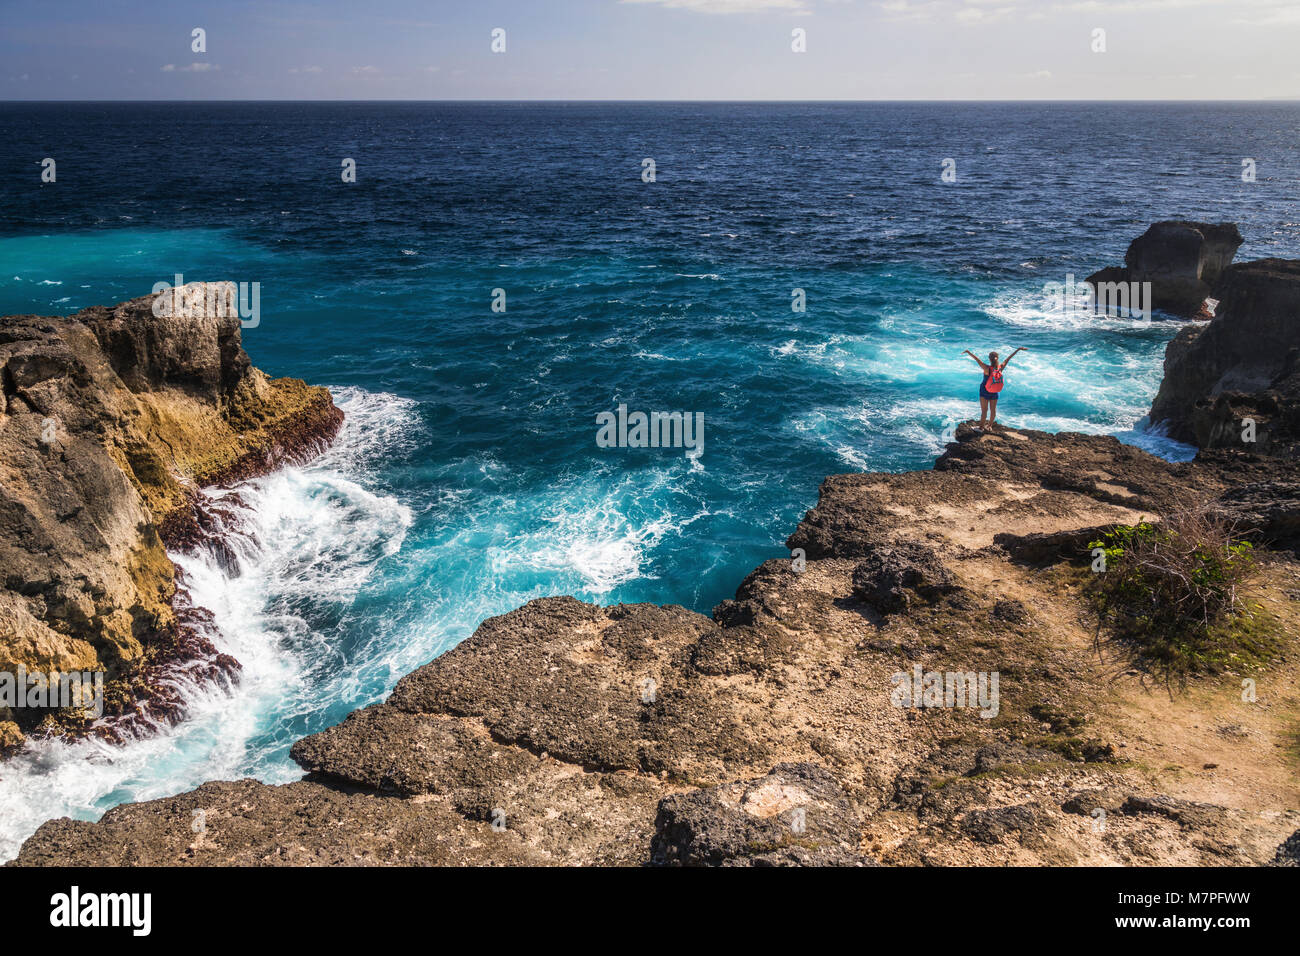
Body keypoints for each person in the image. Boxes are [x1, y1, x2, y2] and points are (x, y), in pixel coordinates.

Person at [963, 347, 1025, 429]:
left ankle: (981, 428)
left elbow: (977, 360)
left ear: (989, 359)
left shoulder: (986, 368)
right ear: (997, 358)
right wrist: (1018, 350)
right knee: (993, 410)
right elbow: (1008, 359)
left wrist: (969, 352)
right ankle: (989, 426)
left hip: (984, 391)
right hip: (995, 391)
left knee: (984, 411)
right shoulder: (1000, 367)